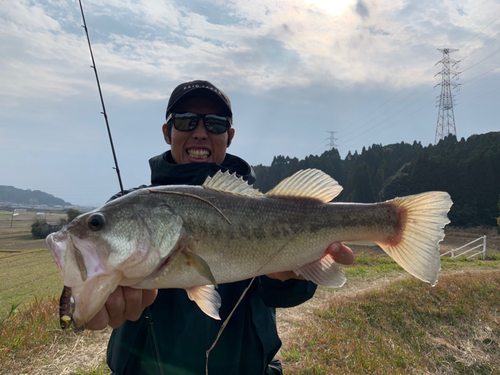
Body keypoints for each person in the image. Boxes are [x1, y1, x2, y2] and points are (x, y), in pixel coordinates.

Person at [87, 80, 354, 374]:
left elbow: (287, 296)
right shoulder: (124, 208)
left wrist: (289, 277)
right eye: (186, 121)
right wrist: (87, 301)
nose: (200, 132)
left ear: (229, 136)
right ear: (167, 132)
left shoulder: (262, 208)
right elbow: (87, 271)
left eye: (215, 124)